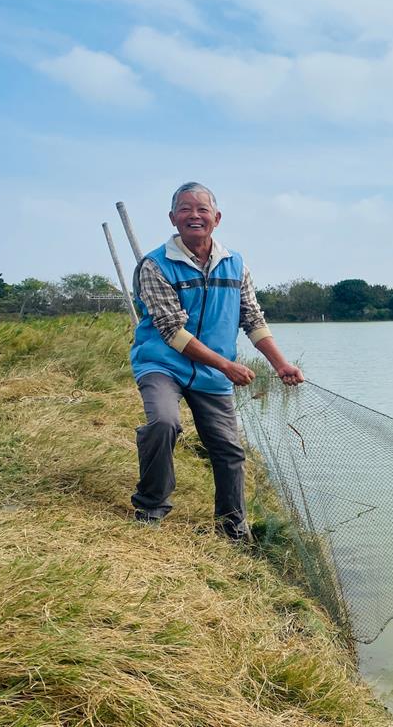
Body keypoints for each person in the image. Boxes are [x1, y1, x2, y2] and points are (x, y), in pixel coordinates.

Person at [129, 181, 303, 540]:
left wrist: (280, 364)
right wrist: (226, 365)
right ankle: (151, 506)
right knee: (163, 422)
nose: (194, 215)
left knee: (228, 449)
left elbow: (252, 319)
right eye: (185, 209)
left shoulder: (234, 264)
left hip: (212, 376)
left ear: (216, 218)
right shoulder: (155, 265)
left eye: (202, 209)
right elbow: (172, 332)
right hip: (162, 364)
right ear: (172, 218)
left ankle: (232, 527)